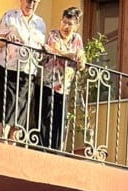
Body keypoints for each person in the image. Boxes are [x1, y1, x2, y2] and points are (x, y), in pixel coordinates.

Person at [0, 0, 47, 142]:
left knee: (22, 104)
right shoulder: (10, 16)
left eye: (35, 1)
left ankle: (13, 140)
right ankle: (2, 137)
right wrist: (7, 38)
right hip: (9, 65)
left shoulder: (40, 23)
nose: (31, 4)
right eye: (28, 1)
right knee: (8, 102)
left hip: (29, 68)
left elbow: (41, 47)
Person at [40, 6, 85, 151]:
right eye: (64, 22)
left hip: (65, 87)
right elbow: (56, 49)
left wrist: (81, 60)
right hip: (49, 83)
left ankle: (56, 151)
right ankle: (44, 150)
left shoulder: (77, 38)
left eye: (70, 24)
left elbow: (82, 60)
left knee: (61, 121)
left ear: (76, 26)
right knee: (46, 118)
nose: (66, 26)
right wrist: (72, 55)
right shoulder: (54, 34)